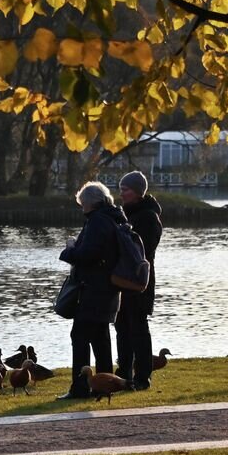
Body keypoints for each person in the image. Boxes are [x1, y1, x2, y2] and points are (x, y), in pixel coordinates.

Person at [57, 181, 128, 399]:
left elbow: (89, 255)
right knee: (100, 339)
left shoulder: (98, 222)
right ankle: (105, 386)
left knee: (79, 337)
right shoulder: (114, 219)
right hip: (109, 291)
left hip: (93, 291)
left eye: (83, 204)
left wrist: (69, 250)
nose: (82, 208)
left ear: (91, 203)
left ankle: (80, 388)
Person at [115, 171, 163, 391]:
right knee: (122, 325)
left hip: (139, 281)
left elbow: (145, 251)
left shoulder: (148, 218)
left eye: (126, 189)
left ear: (137, 191)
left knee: (138, 327)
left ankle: (143, 375)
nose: (122, 193)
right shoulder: (127, 214)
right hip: (123, 280)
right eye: (121, 189)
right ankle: (123, 371)